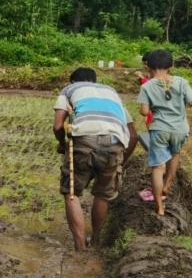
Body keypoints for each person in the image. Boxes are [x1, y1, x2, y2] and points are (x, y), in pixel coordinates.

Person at [53, 67, 137, 250]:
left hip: (84, 141)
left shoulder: (69, 90)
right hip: (115, 143)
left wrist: (62, 144)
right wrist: (122, 159)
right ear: (95, 80)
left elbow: (58, 125)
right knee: (103, 194)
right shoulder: (112, 93)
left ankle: (80, 247)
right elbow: (133, 135)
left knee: (71, 192)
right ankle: (96, 241)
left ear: (73, 81)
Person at [136, 49, 192, 216]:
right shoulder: (181, 82)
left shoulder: (146, 86)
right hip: (180, 129)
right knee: (175, 154)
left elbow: (145, 112)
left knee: (157, 167)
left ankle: (159, 205)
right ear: (171, 66)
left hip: (159, 128)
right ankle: (167, 186)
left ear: (149, 67)